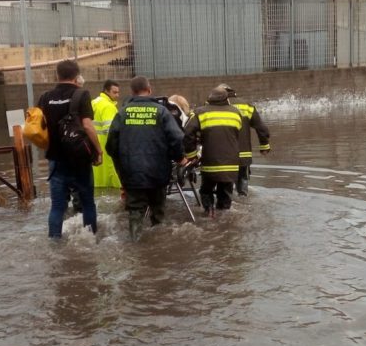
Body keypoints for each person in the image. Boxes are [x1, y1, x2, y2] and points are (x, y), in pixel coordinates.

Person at [106, 76, 185, 240]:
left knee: (135, 211)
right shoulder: (162, 111)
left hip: (132, 173)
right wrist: (179, 158)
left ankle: (135, 243)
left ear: (132, 92)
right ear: (149, 90)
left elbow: (111, 145)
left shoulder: (122, 112)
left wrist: (122, 164)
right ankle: (159, 246)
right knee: (158, 210)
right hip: (158, 172)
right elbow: (176, 138)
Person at [36, 59, 102, 238]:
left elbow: (39, 128)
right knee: (88, 202)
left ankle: (54, 242)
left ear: (57, 75)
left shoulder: (45, 97)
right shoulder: (82, 94)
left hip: (56, 159)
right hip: (80, 158)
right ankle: (91, 238)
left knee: (57, 206)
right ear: (77, 75)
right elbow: (87, 125)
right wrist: (98, 151)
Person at [182, 84, 243, 218]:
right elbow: (235, 134)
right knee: (225, 193)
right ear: (226, 98)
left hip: (211, 162)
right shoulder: (236, 112)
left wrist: (192, 156)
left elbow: (187, 134)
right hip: (231, 163)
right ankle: (225, 218)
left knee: (206, 190)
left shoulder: (200, 112)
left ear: (210, 98)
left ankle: (209, 212)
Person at [215, 83, 271, 196]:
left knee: (225, 188)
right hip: (243, 155)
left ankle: (228, 209)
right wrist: (264, 146)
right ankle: (244, 205)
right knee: (243, 186)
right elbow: (262, 128)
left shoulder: (212, 107)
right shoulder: (247, 106)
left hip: (223, 157)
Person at [91, 79, 123, 189]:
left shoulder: (93, 102)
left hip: (94, 149)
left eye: (118, 92)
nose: (117, 95)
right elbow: (111, 132)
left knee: (97, 183)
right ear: (106, 91)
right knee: (114, 185)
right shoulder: (108, 106)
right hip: (106, 151)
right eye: (114, 92)